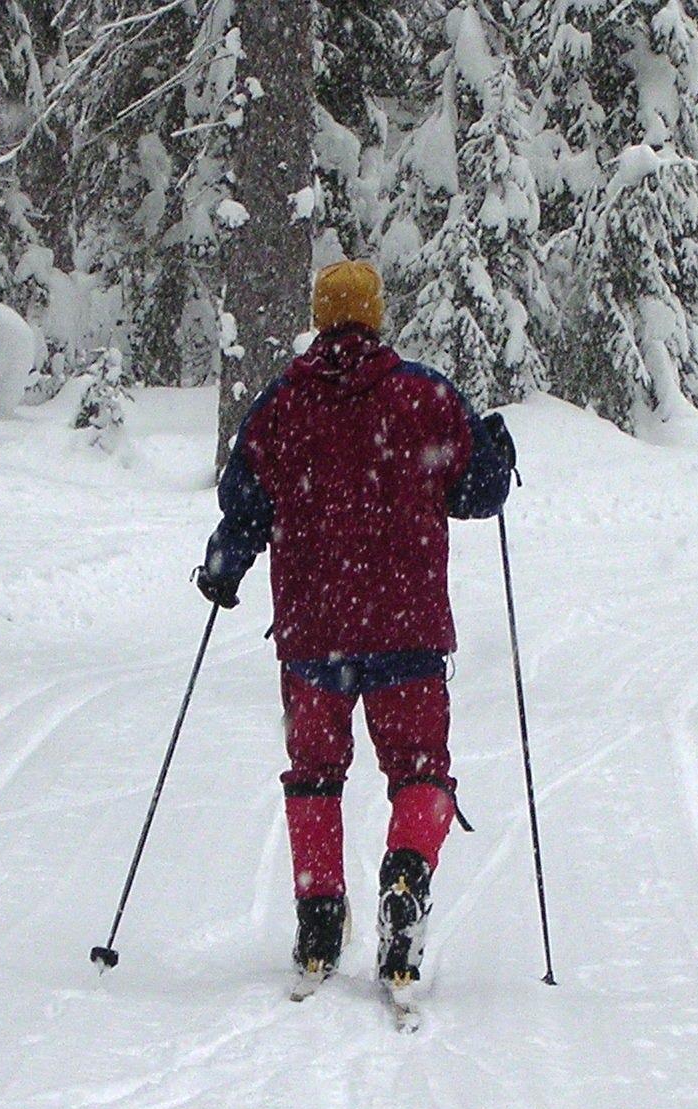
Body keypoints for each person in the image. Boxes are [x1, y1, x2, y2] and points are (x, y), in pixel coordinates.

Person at [196, 259, 517, 1003]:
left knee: (315, 771)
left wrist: (223, 569)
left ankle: (317, 916)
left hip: (314, 635)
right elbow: (479, 494)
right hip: (406, 628)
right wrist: (495, 454)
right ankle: (406, 869)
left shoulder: (280, 408)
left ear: (320, 318)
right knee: (418, 770)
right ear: (375, 319)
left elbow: (243, 505)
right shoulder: (425, 397)